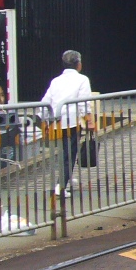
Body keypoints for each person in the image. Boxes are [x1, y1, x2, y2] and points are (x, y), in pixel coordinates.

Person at [41, 50, 94, 194]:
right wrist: (89, 120)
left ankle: (66, 178)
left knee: (64, 152)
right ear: (79, 64)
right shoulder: (82, 79)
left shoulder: (56, 81)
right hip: (72, 122)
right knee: (69, 154)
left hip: (56, 123)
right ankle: (61, 186)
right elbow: (84, 103)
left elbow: (46, 101)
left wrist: (43, 119)